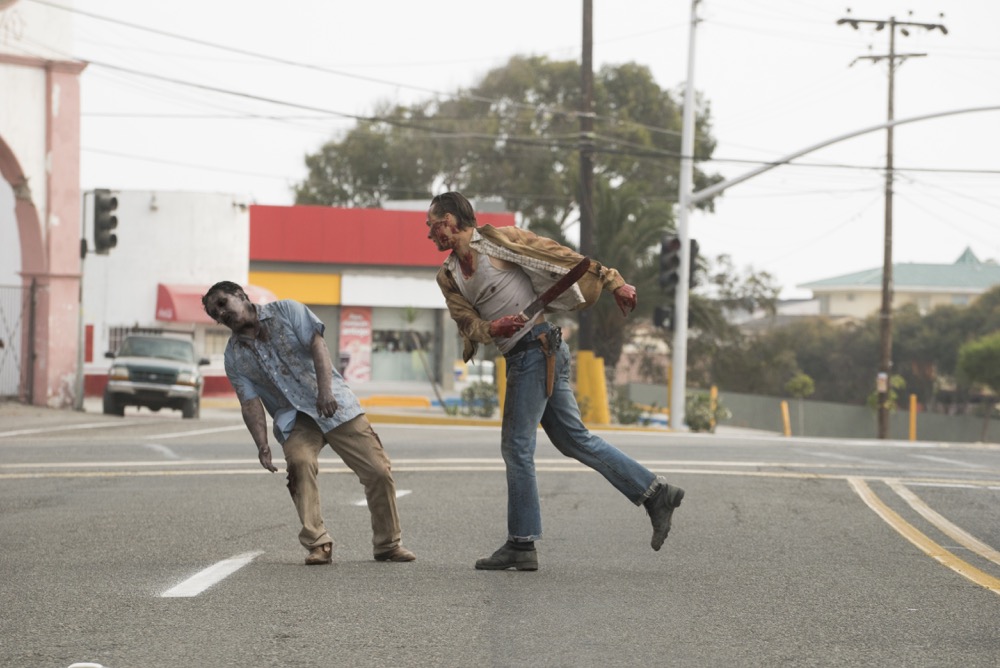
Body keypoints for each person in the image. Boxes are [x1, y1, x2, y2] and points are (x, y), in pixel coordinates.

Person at [427, 192, 685, 571]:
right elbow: (468, 324)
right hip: (525, 353)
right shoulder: (447, 276)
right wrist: (492, 327)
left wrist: (614, 282)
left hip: (537, 349)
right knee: (573, 439)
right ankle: (655, 492)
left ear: (450, 221)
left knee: (516, 447)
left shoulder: (500, 240)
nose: (429, 234)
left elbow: (560, 256)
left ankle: (521, 543)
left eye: (432, 224)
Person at [201, 281, 415, 565]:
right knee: (299, 463)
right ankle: (318, 543)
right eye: (214, 312)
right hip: (294, 418)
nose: (221, 313)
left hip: (332, 403)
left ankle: (388, 544)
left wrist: (325, 391)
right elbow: (249, 402)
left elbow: (318, 345)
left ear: (241, 295)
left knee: (378, 470)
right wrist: (262, 444)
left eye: (222, 303)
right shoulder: (233, 356)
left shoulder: (287, 311)